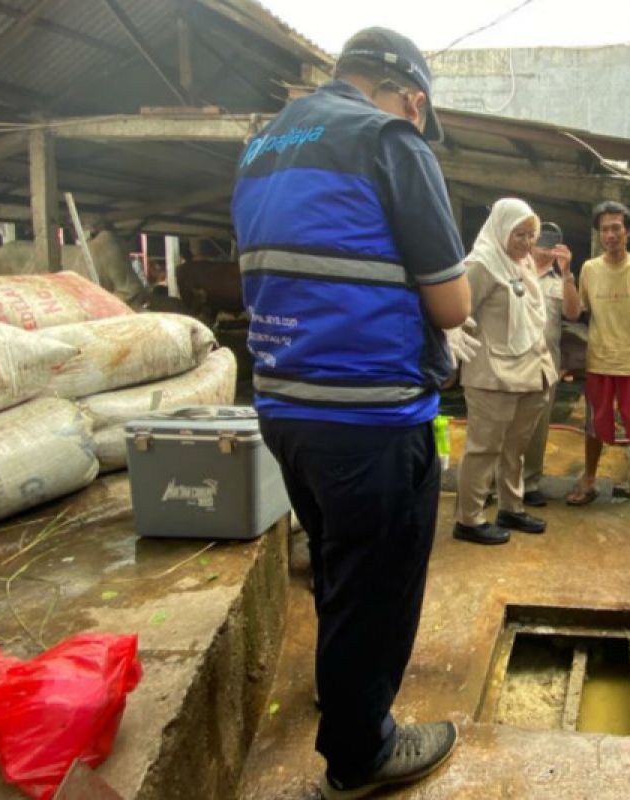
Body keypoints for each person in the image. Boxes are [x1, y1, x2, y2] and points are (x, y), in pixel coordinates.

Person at [231, 27, 470, 799]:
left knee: (339, 567)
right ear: (413, 98)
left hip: (285, 408)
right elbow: (452, 300)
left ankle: (344, 696)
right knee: (379, 586)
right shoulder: (390, 140)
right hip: (371, 419)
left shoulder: (262, 146)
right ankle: (360, 755)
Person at [453, 199, 557, 545]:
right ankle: (468, 518)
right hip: (493, 373)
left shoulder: (523, 263)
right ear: (500, 228)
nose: (526, 243)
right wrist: (457, 357)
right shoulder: (481, 264)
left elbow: (532, 316)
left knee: (516, 447)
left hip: (531, 369)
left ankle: (511, 506)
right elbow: (459, 316)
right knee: (484, 448)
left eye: (531, 235)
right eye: (519, 234)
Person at [565, 201, 630, 513]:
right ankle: (590, 478)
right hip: (599, 359)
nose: (610, 234)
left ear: (628, 231)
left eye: (616, 228)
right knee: (594, 422)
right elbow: (579, 312)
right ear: (598, 233)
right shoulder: (590, 270)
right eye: (604, 229)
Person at [521, 230, 581, 507]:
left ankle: (530, 482)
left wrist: (567, 272)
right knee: (503, 426)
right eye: (540, 241)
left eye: (551, 242)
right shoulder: (515, 270)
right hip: (512, 361)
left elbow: (573, 313)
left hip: (546, 364)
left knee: (538, 427)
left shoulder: (560, 281)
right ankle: (490, 485)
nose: (544, 247)